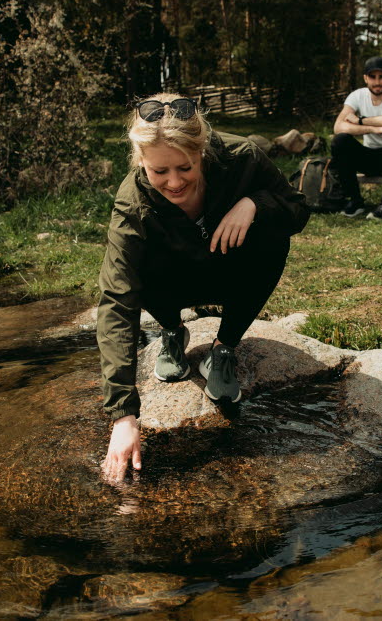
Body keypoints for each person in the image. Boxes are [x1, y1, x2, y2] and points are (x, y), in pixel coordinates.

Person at [98, 93, 310, 483]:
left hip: (230, 267)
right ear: (140, 160)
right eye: (159, 172)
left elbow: (297, 208)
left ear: (202, 151)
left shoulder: (242, 157)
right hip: (170, 283)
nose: (174, 182)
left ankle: (224, 346)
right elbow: (117, 298)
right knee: (131, 267)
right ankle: (172, 332)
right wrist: (123, 414)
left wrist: (255, 203)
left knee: (274, 237)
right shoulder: (132, 203)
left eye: (185, 167)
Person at [329, 56, 382, 220]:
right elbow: (339, 127)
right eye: (372, 77)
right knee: (340, 140)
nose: (377, 82)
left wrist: (360, 120)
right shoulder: (356, 96)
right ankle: (355, 200)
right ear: (365, 78)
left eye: (381, 77)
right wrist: (374, 129)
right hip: (370, 159)